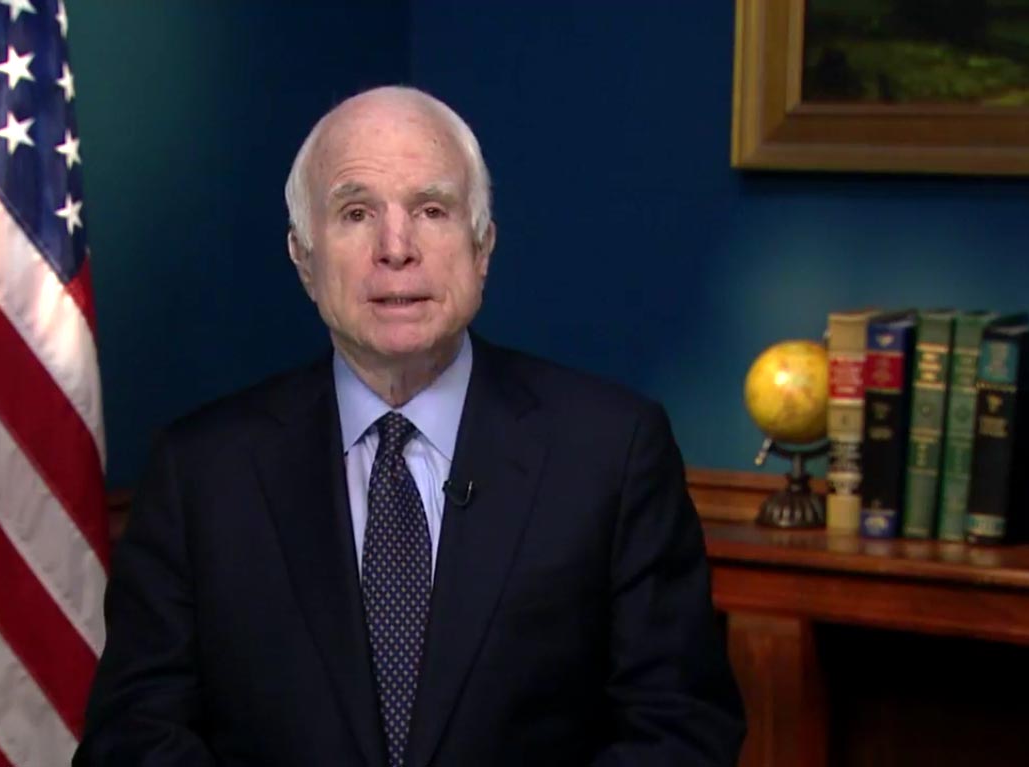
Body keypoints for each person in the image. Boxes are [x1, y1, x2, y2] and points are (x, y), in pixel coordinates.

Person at [75, 85, 744, 767]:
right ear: (304, 260)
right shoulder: (200, 473)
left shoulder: (611, 451)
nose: (396, 248)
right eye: (356, 212)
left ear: (481, 247)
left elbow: (681, 730)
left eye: (430, 209)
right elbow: (132, 738)